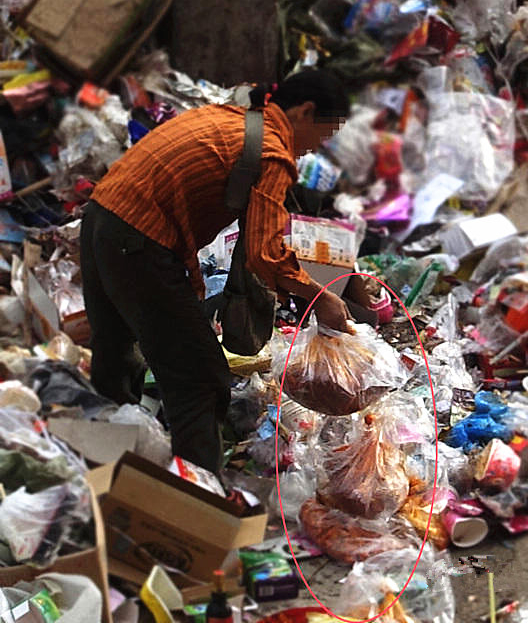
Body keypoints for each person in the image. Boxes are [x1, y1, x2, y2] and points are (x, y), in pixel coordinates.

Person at [80, 69, 350, 473]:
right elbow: (265, 252)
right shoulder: (272, 151)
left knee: (115, 353)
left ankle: (104, 467)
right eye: (323, 135)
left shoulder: (228, 117)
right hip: (138, 239)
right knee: (200, 378)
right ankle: (196, 491)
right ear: (305, 112)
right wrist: (320, 296)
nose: (315, 149)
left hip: (100, 220)